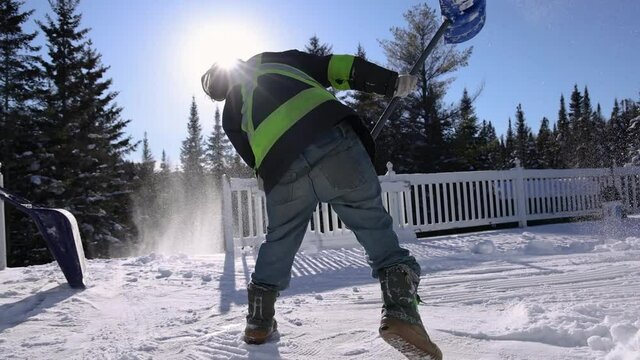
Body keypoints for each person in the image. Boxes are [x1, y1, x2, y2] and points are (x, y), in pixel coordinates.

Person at [201, 49, 442, 360]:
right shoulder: (271, 60)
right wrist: (389, 82)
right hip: (331, 136)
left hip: (281, 167)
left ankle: (259, 322)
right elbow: (334, 67)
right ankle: (401, 313)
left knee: (279, 240)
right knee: (372, 225)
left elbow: (248, 150)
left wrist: (265, 171)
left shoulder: (231, 113)